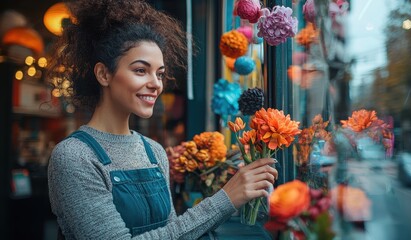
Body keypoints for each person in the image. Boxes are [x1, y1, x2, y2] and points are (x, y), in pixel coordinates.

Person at [47, 0, 278, 239]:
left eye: (160, 74)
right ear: (104, 74)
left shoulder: (153, 152)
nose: (156, 84)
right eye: (140, 70)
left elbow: (173, 233)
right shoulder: (74, 157)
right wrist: (225, 199)